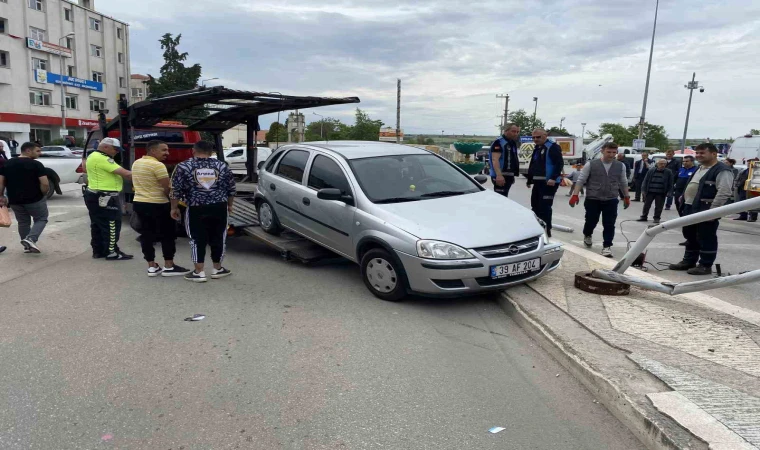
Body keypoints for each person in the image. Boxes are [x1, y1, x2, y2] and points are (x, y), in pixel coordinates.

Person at [170, 141, 236, 282]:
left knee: (196, 238)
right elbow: (231, 188)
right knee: (219, 237)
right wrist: (230, 206)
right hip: (219, 207)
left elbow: (175, 190)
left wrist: (174, 208)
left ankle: (199, 272)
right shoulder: (222, 166)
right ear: (212, 152)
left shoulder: (183, 166)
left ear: (193, 150)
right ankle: (217, 269)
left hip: (195, 207)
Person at [669, 143, 734, 275]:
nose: (698, 155)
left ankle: (705, 265)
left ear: (714, 154)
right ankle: (689, 261)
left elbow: (724, 192)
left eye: (702, 153)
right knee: (690, 235)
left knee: (706, 237)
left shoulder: (722, 170)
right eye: (697, 153)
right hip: (689, 207)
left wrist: (713, 212)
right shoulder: (699, 168)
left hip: (706, 210)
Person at [132, 140, 191, 277]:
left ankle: (151, 266)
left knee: (146, 234)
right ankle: (169, 266)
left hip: (140, 203)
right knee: (168, 234)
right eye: (164, 150)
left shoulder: (137, 163)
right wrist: (174, 206)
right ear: (153, 151)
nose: (167, 153)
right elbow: (167, 189)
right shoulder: (158, 166)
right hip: (158, 204)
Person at [569, 142, 630, 258]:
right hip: (593, 198)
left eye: (614, 152)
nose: (611, 155)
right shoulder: (591, 164)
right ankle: (587, 234)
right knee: (591, 221)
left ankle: (607, 246)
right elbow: (581, 180)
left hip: (611, 198)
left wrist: (626, 197)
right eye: (609, 152)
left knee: (609, 224)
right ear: (602, 151)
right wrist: (575, 195)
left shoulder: (620, 166)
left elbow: (623, 182)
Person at [83, 137, 133, 260]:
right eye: (115, 149)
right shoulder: (102, 158)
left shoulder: (93, 156)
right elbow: (126, 174)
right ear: (105, 147)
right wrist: (146, 175)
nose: (117, 152)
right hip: (105, 196)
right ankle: (112, 252)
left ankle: (98, 251)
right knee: (112, 223)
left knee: (98, 224)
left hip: (95, 194)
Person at [0, 142, 49, 253]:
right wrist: (43, 193)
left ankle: (28, 246)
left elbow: (1, 182)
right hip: (34, 198)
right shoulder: (36, 164)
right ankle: (31, 239)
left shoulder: (7, 164)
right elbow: (45, 183)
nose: (39, 153)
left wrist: (1, 195)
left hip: (14, 200)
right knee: (41, 218)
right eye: (37, 151)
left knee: (23, 222)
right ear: (28, 150)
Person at [527, 128, 563, 237]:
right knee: (535, 206)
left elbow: (559, 163)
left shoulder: (552, 147)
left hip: (548, 182)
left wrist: (553, 178)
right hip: (537, 181)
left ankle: (547, 229)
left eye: (538, 137)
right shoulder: (537, 147)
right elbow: (533, 163)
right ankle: (538, 228)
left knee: (545, 207)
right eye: (533, 137)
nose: (535, 139)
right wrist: (529, 179)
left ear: (545, 135)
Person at [637, 159, 674, 224]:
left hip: (661, 192)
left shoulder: (668, 172)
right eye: (661, 163)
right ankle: (644, 216)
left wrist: (669, 192)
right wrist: (643, 190)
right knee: (646, 205)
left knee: (659, 206)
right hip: (650, 191)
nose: (662, 165)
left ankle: (657, 218)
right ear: (657, 164)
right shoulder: (651, 170)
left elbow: (670, 183)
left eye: (664, 164)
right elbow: (645, 180)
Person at [489, 123, 520, 197]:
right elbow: (495, 159)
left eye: (517, 132)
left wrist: (512, 174)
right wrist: (499, 175)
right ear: (506, 131)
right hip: (500, 176)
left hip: (508, 175)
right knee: (500, 199)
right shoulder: (499, 142)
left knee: (505, 197)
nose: (516, 134)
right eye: (513, 131)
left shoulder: (512, 142)